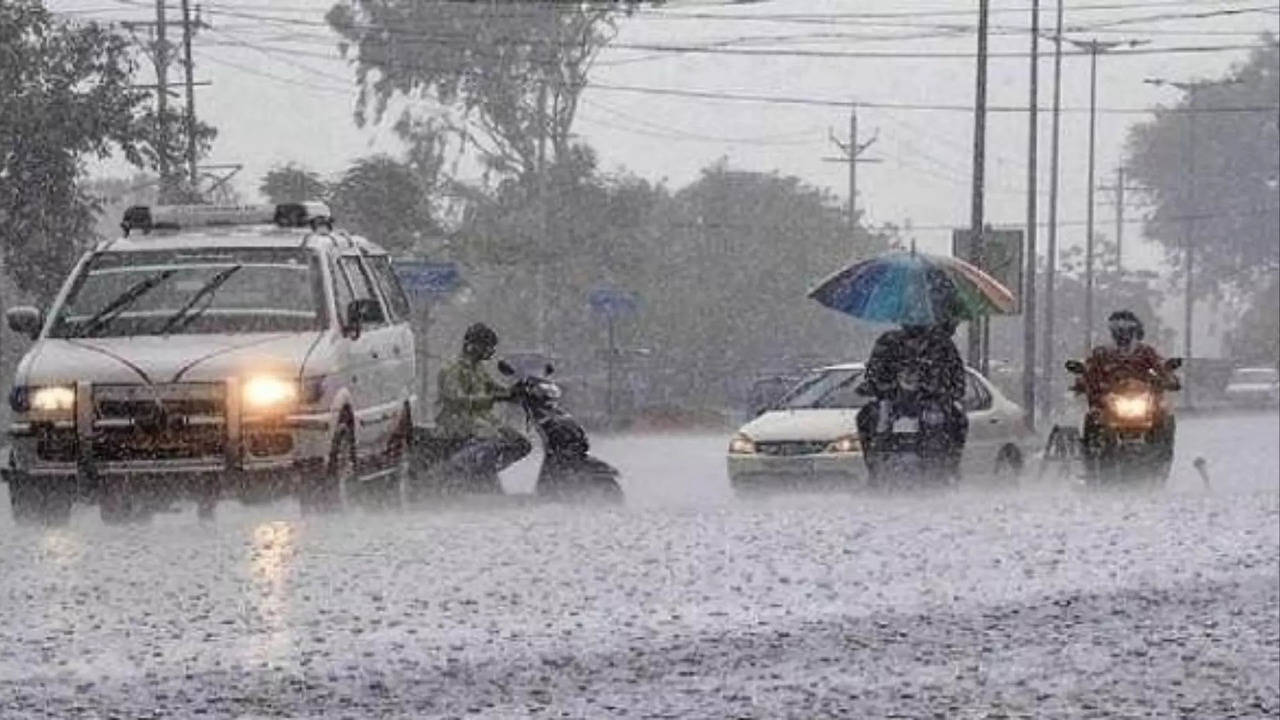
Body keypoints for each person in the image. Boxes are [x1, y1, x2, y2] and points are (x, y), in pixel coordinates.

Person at [856, 312, 968, 480]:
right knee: (865, 417)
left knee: (958, 420)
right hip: (892, 402)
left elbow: (958, 381)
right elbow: (873, 374)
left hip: (932, 403)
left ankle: (949, 467)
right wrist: (881, 388)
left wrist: (939, 392)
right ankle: (874, 467)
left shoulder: (942, 345)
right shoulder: (888, 342)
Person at [1076, 310, 1178, 469]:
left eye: (1126, 329)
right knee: (1093, 418)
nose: (1122, 334)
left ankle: (1162, 456)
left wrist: (1169, 379)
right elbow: (1089, 371)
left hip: (1143, 402)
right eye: (1117, 329)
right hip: (1109, 403)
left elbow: (1161, 368)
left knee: (1164, 417)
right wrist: (1082, 381)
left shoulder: (1145, 352)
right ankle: (1091, 458)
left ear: (1135, 331)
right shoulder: (1102, 353)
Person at [435, 323, 531, 490]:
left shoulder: (479, 368)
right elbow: (457, 400)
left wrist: (514, 391)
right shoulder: (452, 369)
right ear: (473, 345)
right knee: (494, 439)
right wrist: (489, 399)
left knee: (520, 443)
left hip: (482, 421)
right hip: (458, 421)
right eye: (486, 347)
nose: (489, 352)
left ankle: (483, 471)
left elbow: (494, 387)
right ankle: (452, 471)